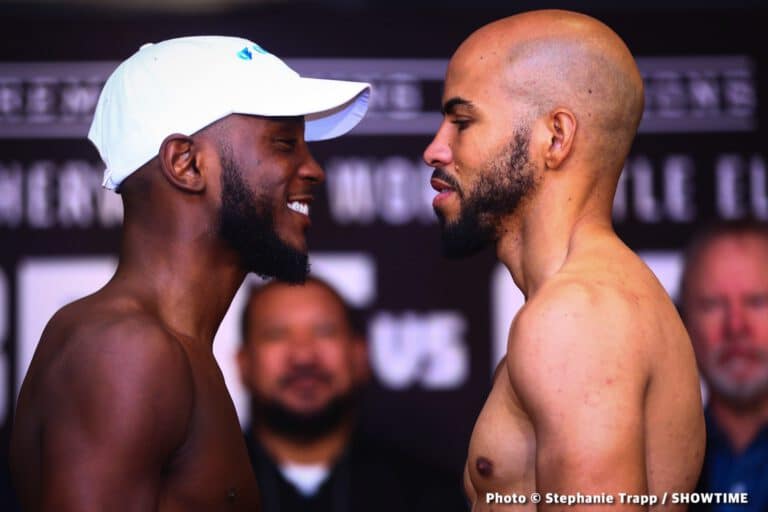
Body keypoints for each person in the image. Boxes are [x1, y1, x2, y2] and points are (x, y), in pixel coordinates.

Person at [10, 36, 370, 511]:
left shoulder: (163, 345)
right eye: (285, 143)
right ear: (186, 163)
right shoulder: (127, 349)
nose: (313, 169)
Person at [424, 9, 705, 509]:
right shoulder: (599, 300)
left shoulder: (577, 316)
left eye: (462, 121)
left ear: (555, 137)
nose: (435, 149)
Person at [236, 277, 467, 512]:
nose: (303, 356)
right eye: (276, 334)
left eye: (324, 331)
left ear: (359, 356)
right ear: (242, 364)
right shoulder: (208, 493)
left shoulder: (429, 493)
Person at [681, 221, 768, 512]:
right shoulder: (653, 459)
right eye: (712, 304)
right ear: (684, 322)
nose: (735, 327)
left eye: (757, 302)